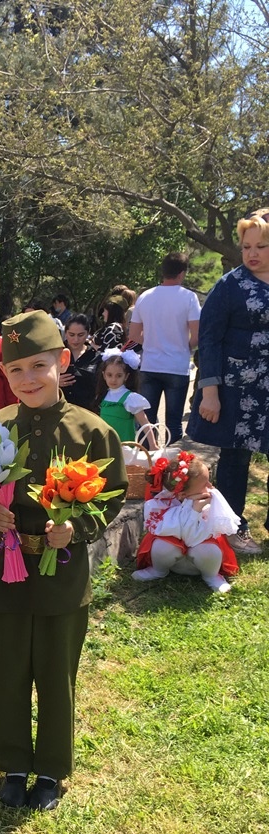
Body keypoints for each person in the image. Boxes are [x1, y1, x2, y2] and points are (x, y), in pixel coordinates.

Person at [0, 310, 127, 813]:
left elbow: (113, 496)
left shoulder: (92, 432)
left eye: (38, 366)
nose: (28, 379)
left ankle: (52, 769)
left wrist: (75, 528)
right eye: (16, 371)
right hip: (5, 575)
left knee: (57, 675)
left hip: (62, 577)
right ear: (3, 374)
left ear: (62, 360)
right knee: (7, 672)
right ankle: (14, 764)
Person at [186, 210, 269, 556]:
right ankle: (232, 528)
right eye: (247, 246)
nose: (252, 253)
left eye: (261, 246)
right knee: (235, 459)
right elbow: (209, 339)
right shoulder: (230, 285)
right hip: (236, 389)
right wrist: (210, 393)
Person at [132, 452, 239, 593]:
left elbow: (193, 539)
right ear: (182, 494)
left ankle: (211, 576)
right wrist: (192, 510)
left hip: (200, 559)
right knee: (162, 545)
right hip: (172, 561)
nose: (210, 486)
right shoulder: (158, 504)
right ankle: (158, 570)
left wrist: (196, 510)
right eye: (205, 483)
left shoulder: (207, 502)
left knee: (209, 550)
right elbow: (172, 532)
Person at [127, 252, 201, 443]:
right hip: (177, 366)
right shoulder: (189, 298)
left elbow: (134, 335)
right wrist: (184, 345)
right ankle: (173, 467)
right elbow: (198, 335)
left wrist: (151, 341)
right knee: (174, 422)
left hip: (150, 365)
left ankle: (146, 463)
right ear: (182, 273)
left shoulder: (145, 297)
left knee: (146, 422)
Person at [96, 349, 157, 446]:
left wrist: (153, 445)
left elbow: (145, 423)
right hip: (106, 446)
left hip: (125, 448)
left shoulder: (130, 398)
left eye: (119, 376)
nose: (113, 379)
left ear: (126, 376)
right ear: (104, 375)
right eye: (109, 375)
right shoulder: (104, 395)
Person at [59, 314, 99, 409]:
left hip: (86, 410)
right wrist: (54, 383)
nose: (75, 339)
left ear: (88, 333)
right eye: (71, 335)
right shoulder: (56, 353)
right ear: (65, 333)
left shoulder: (95, 356)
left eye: (80, 335)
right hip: (59, 408)